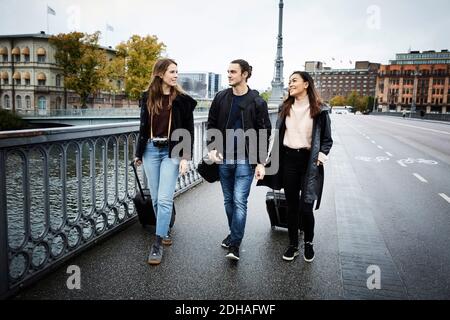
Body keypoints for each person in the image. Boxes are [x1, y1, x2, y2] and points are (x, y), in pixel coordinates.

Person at [257, 71, 333, 263]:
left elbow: (326, 140)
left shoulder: (320, 110)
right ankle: (292, 245)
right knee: (291, 206)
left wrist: (321, 156)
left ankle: (308, 243)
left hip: (309, 162)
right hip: (289, 160)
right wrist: (267, 161)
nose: (290, 84)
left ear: (306, 84)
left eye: (294, 81)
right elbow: (277, 136)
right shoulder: (285, 107)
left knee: (306, 207)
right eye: (289, 81)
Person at [207, 59, 271, 261]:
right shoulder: (221, 97)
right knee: (228, 201)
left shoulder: (257, 102)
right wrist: (212, 148)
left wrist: (261, 162)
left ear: (245, 74)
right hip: (224, 158)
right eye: (228, 71)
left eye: (233, 72)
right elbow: (212, 124)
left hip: (246, 160)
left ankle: (234, 244)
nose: (229, 75)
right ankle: (233, 234)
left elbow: (264, 132)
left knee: (239, 201)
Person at [134, 58, 197, 265]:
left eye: (177, 71)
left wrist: (185, 157)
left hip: (171, 152)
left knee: (164, 199)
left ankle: (158, 242)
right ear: (160, 74)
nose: (176, 75)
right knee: (155, 198)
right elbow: (143, 127)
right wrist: (138, 153)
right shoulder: (148, 97)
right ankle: (165, 228)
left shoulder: (182, 100)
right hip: (151, 150)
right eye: (172, 71)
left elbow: (188, 129)